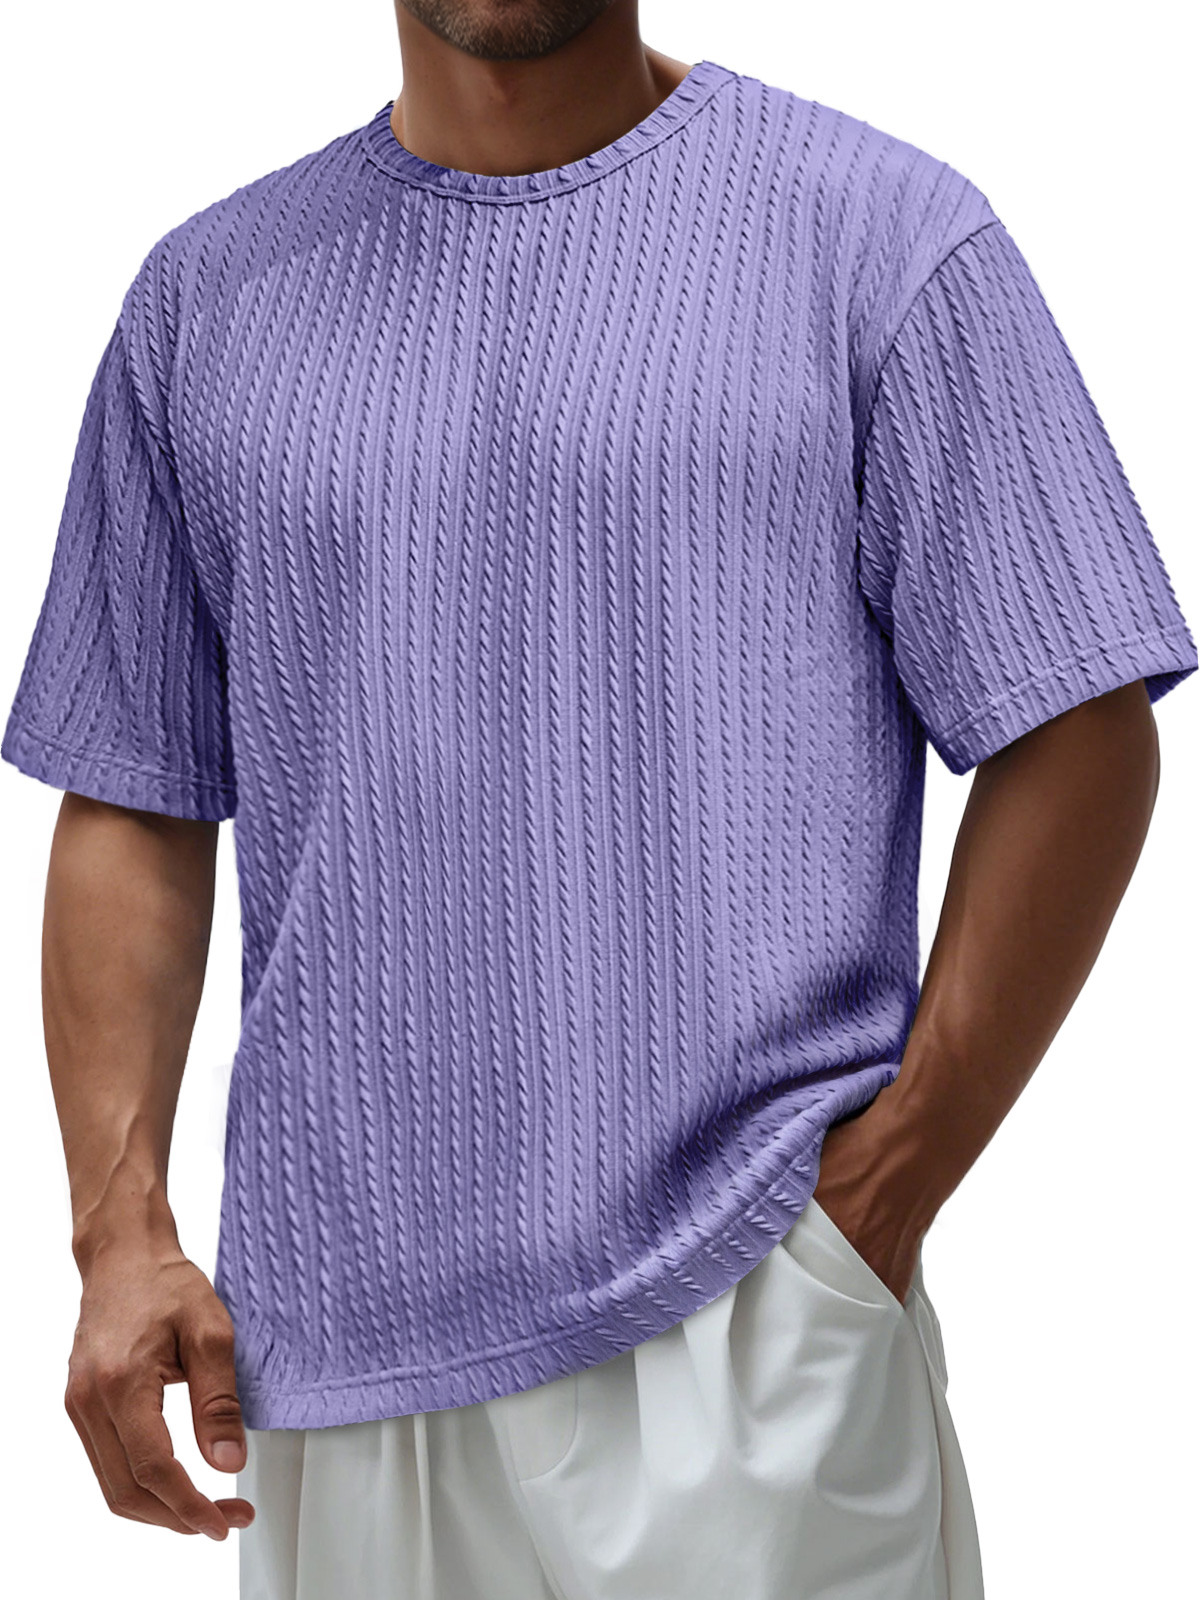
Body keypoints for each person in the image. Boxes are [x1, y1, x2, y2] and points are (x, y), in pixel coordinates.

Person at [3, 0, 1196, 1594]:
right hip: (334, 1364)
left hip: (748, 1327)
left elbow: (1077, 721)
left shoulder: (881, 239)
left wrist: (885, 1187)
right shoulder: (205, 303)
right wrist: (119, 1233)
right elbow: (136, 795)